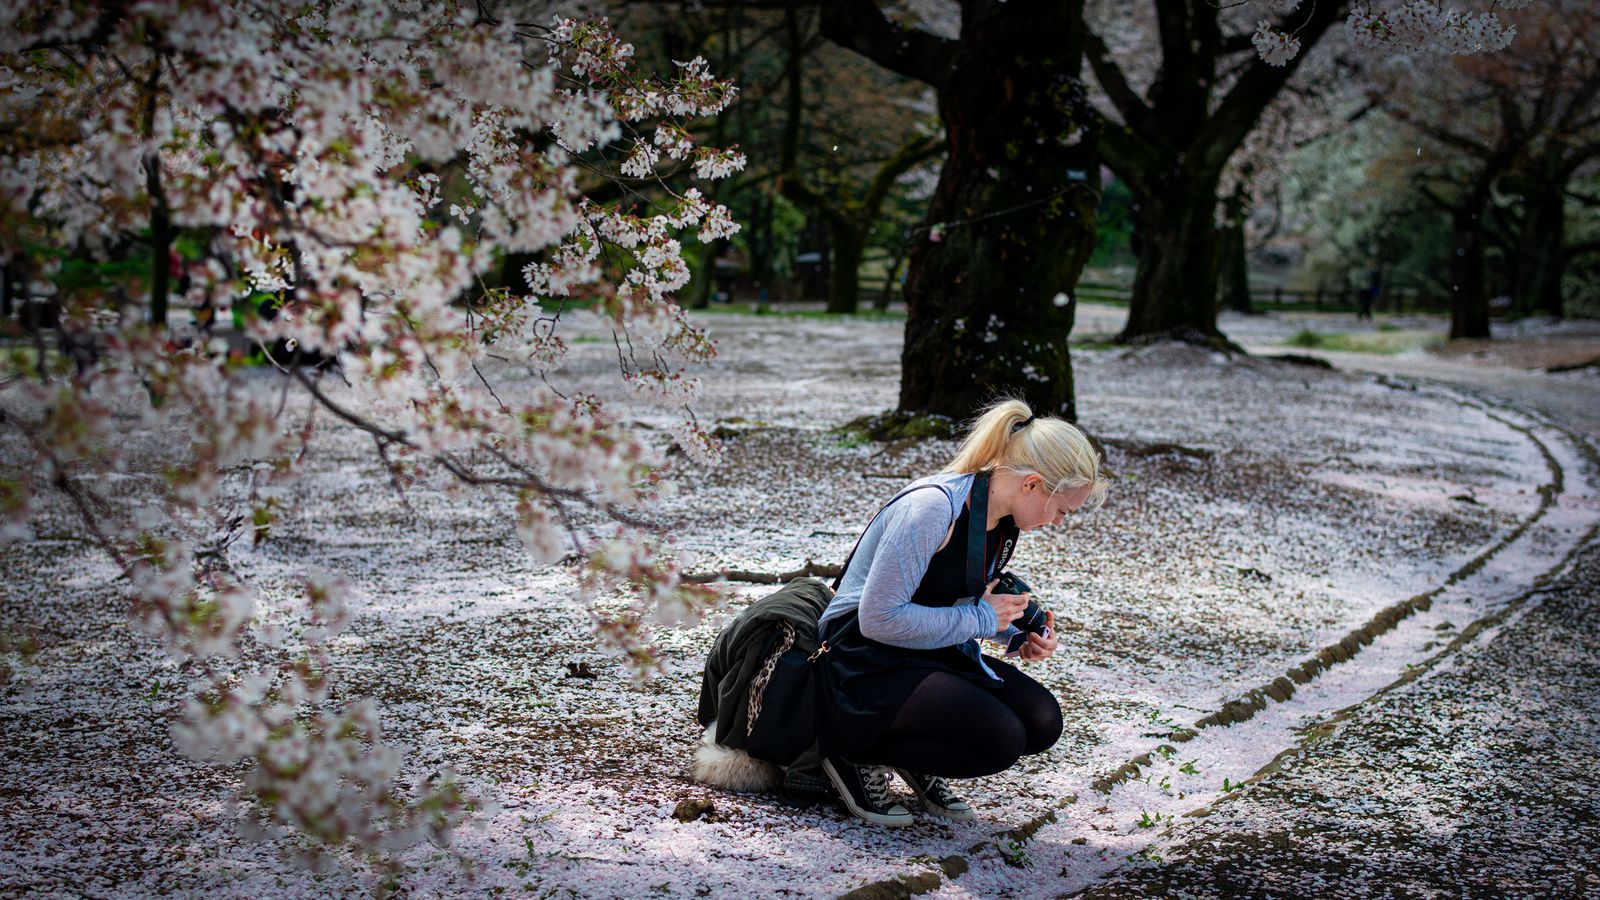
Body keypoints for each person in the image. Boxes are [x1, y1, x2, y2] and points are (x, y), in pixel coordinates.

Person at [813, 398, 1108, 826]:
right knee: (999, 737)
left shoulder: (1001, 519)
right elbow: (877, 619)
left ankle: (910, 748)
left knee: (1042, 720)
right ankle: (851, 753)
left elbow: (957, 598)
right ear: (1031, 484)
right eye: (1062, 510)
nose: (1060, 522)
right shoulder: (934, 509)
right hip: (861, 658)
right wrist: (987, 619)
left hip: (923, 651)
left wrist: (1016, 634)